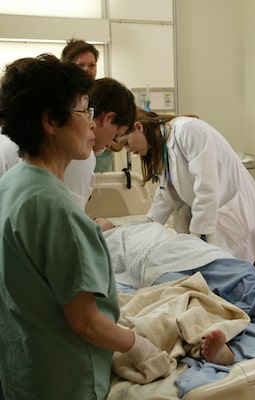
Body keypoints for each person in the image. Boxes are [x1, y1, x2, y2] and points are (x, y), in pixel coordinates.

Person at [0, 54, 167, 400]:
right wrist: (139, 346)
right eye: (84, 111)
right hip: (64, 380)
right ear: (51, 121)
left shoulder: (12, 184)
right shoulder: (57, 209)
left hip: (22, 371)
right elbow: (87, 322)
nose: (92, 124)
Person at [100, 221, 255, 366]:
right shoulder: (98, 245)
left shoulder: (147, 225)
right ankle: (213, 346)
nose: (97, 221)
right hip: (152, 266)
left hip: (188, 249)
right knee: (187, 299)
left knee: (243, 280)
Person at [115, 109, 255, 264]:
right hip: (212, 223)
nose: (129, 150)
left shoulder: (188, 130)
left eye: (126, 143)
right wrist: (146, 226)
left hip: (232, 219)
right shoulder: (162, 147)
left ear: (139, 127)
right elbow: (166, 194)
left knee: (235, 271)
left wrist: (195, 238)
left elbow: (206, 188)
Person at [64, 77, 136, 209]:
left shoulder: (61, 142)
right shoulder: (79, 153)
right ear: (108, 118)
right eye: (115, 136)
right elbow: (69, 214)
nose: (109, 144)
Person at [61, 37, 123, 172]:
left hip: (99, 166)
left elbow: (119, 141)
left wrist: (108, 140)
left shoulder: (103, 94)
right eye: (80, 65)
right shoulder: (62, 100)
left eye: (92, 65)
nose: (86, 70)